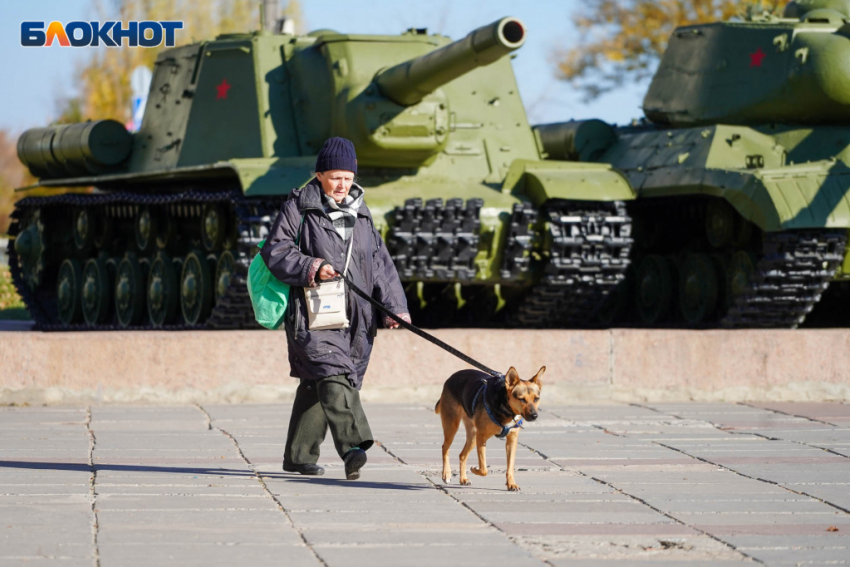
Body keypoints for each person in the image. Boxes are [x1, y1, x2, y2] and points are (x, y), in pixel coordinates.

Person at [260, 137, 410, 480]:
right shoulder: (299, 207)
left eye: (347, 177)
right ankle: (354, 446)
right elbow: (276, 251)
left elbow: (380, 264)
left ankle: (299, 455)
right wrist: (312, 266)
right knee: (333, 373)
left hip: (357, 316)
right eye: (334, 177)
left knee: (318, 382)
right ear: (319, 175)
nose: (341, 185)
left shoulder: (362, 213)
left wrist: (395, 308)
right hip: (311, 312)